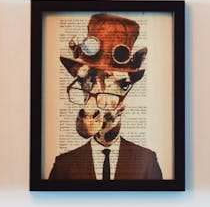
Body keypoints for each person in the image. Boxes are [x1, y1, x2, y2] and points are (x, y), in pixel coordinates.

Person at [49, 13, 162, 180]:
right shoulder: (63, 165)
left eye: (122, 85)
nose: (90, 106)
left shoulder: (147, 161)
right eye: (84, 81)